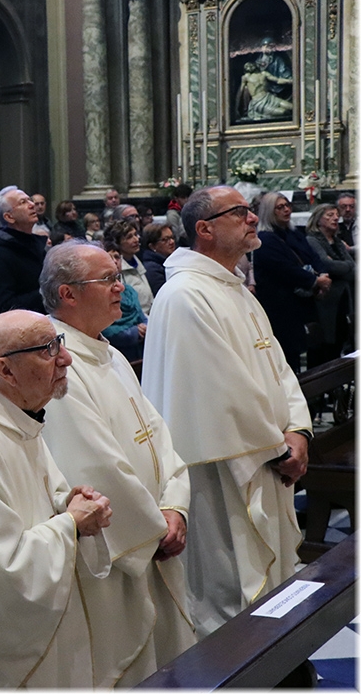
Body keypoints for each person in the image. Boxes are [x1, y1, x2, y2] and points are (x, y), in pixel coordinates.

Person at [142, 185, 311, 638]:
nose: (253, 218)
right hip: (226, 471)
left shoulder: (234, 289)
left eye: (249, 210)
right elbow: (221, 390)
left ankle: (277, 657)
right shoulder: (185, 295)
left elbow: (278, 367)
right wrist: (279, 446)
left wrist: (298, 429)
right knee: (231, 590)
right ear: (205, 229)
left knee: (272, 586)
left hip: (267, 455)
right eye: (239, 212)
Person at [0, 309, 112, 687]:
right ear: (5, 370)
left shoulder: (19, 420)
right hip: (12, 661)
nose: (66, 358)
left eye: (59, 343)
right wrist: (71, 524)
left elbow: (36, 507)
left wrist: (66, 503)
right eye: (48, 349)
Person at [40, 242, 195, 685]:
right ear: (68, 294)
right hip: (120, 547)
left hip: (154, 527)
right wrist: (154, 526)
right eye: (108, 279)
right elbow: (95, 466)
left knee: (170, 655)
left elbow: (158, 433)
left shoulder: (109, 353)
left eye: (119, 277)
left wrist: (175, 504)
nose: (120, 289)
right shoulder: (59, 364)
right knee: (132, 665)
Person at [254, 191, 330, 370]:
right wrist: (315, 281)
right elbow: (285, 268)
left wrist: (323, 274)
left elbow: (313, 255)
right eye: (280, 207)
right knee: (289, 354)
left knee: (313, 347)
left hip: (302, 300)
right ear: (269, 211)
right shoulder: (265, 239)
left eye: (287, 205)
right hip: (281, 304)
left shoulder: (293, 232)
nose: (286, 210)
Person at [304, 203, 354, 368]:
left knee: (340, 338)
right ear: (318, 220)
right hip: (325, 300)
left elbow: (352, 267)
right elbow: (326, 265)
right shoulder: (312, 240)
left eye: (336, 215)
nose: (335, 218)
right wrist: (343, 266)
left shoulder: (337, 241)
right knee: (323, 345)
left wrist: (341, 266)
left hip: (342, 298)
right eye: (330, 215)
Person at [0, 185, 47, 313]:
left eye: (29, 200)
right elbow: (3, 307)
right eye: (23, 202)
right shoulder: (0, 254)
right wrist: (47, 293)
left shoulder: (36, 244)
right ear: (9, 217)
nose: (32, 205)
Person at [107, 219, 154, 315]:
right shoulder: (116, 269)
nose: (136, 240)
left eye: (136, 234)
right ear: (117, 242)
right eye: (129, 237)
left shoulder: (138, 262)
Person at [140, 222, 177, 295]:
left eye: (172, 237)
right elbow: (164, 294)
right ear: (152, 246)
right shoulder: (152, 269)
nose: (172, 242)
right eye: (165, 240)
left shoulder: (171, 261)